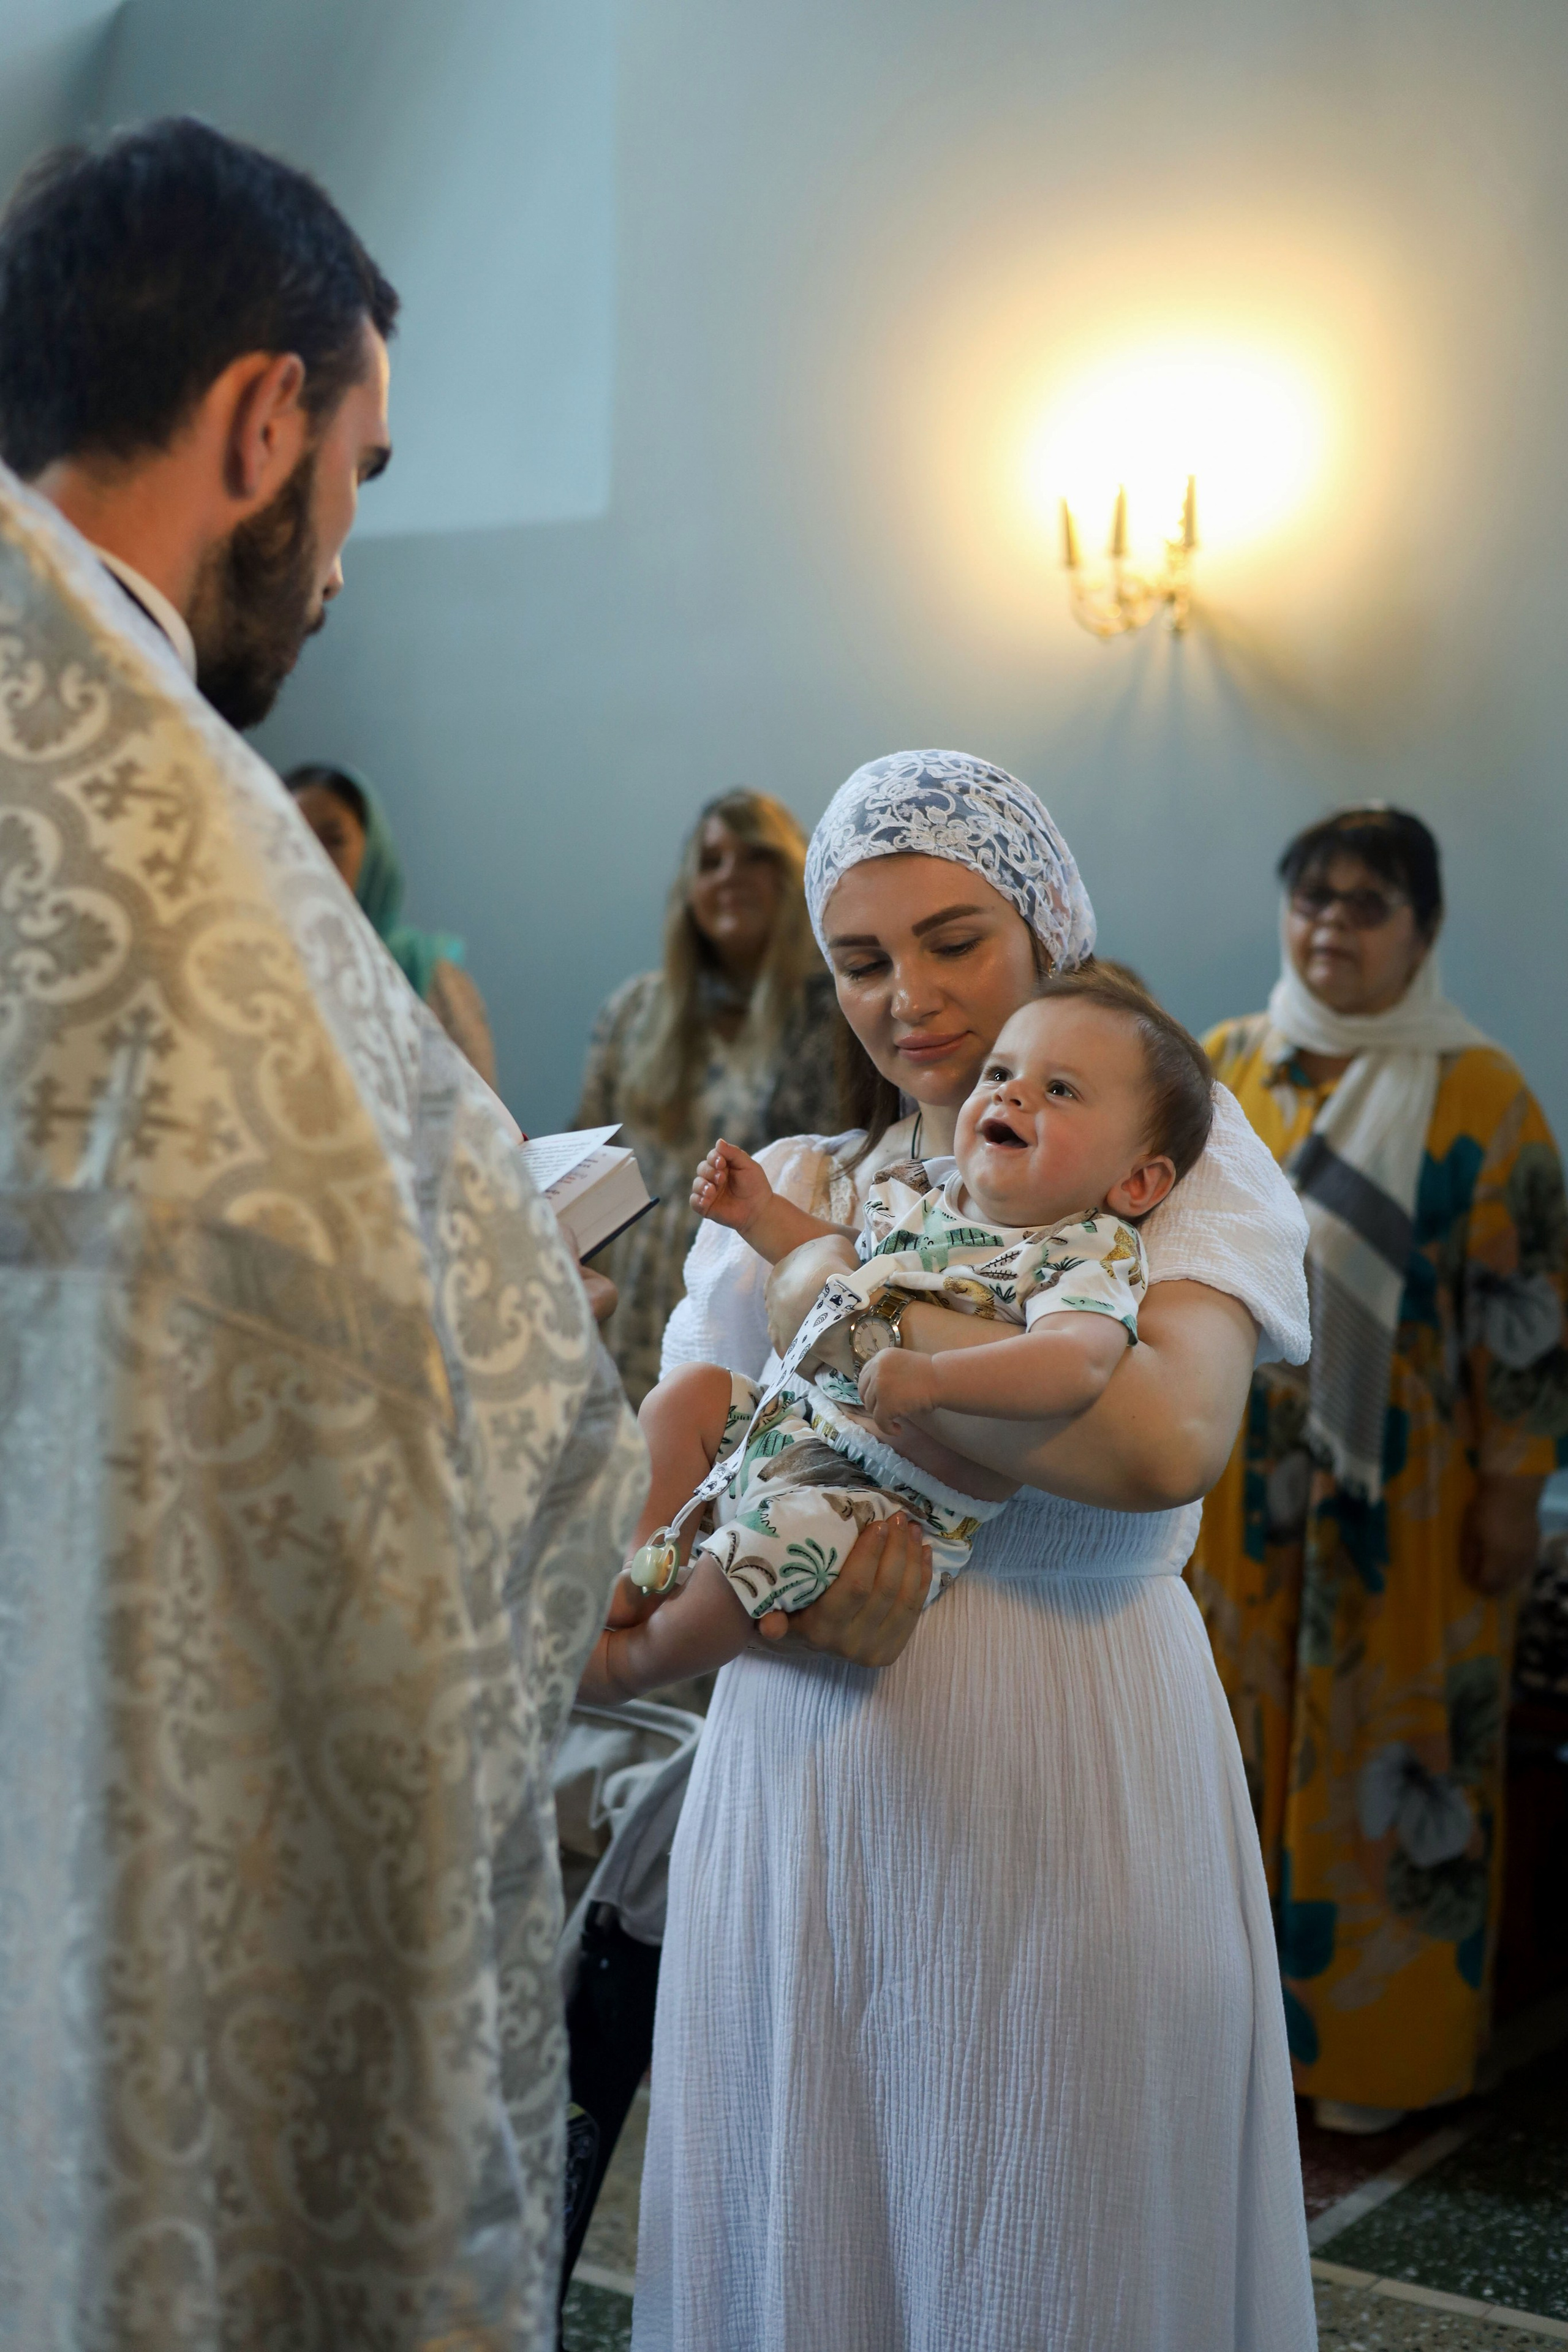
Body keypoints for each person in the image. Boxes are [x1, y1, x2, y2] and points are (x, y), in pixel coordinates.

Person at [0, 119, 648, 2351]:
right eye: (358, 466)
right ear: (263, 418)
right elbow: (436, 1409)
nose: (346, 550)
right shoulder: (185, 840)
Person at [631, 749, 1318, 2352]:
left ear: (1048, 932)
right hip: (803, 1780)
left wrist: (832, 1303)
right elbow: (680, 1464)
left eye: (955, 941)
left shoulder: (1174, 1164)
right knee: (807, 2237)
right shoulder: (801, 1181)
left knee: (1049, 2238)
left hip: (1066, 1765)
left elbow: (1159, 1441)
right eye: (862, 960)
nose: (911, 1000)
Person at [1187, 805, 1568, 2135]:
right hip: (1236, 1483)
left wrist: (1516, 1487)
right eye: (1312, 899)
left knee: (1389, 1754)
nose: (1330, 926)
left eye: (1366, 904)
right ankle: (1229, 2041)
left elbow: (1520, 1308)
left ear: (1423, 929)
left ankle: (1371, 2060)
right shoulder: (1224, 1066)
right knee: (1229, 1747)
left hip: (1409, 1504)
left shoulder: (1479, 1092)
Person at [583, 973, 1215, 1697]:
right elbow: (853, 1261)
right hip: (798, 1427)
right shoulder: (930, 1190)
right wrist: (761, 1217)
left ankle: (631, 1664)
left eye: (1061, 1091)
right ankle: (641, 1561)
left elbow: (1079, 1361)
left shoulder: (1081, 1247)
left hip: (884, 1506)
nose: (1010, 1095)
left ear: (1138, 1182)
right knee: (685, 1399)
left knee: (754, 1557)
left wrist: (937, 1378)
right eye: (1001, 1073)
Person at [575, 789, 843, 1405]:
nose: (730, 877)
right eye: (712, 860)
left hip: (748, 1283)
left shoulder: (830, 1020)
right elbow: (589, 1148)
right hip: (633, 1285)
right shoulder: (634, 1010)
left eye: (755, 857)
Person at [286, 760, 499, 1085]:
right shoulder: (263, 966)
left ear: (373, 851)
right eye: (296, 840)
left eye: (334, 840)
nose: (314, 857)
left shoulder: (425, 973)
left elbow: (485, 1119)